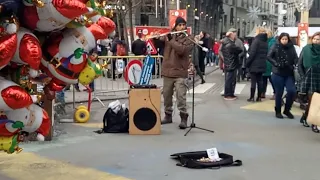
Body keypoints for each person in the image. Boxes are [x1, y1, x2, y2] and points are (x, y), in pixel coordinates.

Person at [158, 16, 193, 129]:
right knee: (167, 95)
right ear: (175, 26)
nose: (182, 27)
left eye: (183, 25)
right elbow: (160, 45)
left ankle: (183, 117)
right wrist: (156, 38)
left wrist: (171, 40)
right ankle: (168, 115)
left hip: (180, 72)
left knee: (180, 96)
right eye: (179, 25)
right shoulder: (169, 36)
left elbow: (182, 50)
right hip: (168, 71)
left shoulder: (188, 38)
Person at [267, 33, 298, 119]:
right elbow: (269, 56)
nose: (284, 41)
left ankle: (287, 109)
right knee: (279, 93)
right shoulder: (275, 46)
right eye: (283, 39)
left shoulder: (291, 47)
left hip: (289, 72)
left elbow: (295, 57)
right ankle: (278, 110)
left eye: (286, 39)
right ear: (280, 39)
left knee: (292, 91)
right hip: (278, 72)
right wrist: (276, 63)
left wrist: (295, 63)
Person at [298, 32, 320, 132]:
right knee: (312, 101)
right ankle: (314, 123)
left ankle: (305, 117)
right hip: (310, 78)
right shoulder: (306, 49)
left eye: (318, 39)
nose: (316, 41)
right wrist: (303, 76)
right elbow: (300, 64)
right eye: (315, 39)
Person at [220, 28, 243, 100]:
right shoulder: (230, 43)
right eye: (234, 33)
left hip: (229, 62)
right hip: (231, 63)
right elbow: (239, 50)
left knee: (231, 79)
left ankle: (230, 93)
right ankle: (228, 94)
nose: (235, 34)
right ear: (231, 34)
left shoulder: (226, 42)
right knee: (230, 79)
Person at [246, 31, 268, 102]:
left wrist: (248, 63)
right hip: (262, 64)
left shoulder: (256, 41)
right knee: (260, 81)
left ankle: (252, 97)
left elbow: (252, 53)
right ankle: (259, 97)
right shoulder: (265, 42)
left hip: (254, 64)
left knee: (253, 82)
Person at [261, 30, 276, 99]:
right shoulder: (268, 41)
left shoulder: (272, 42)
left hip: (270, 62)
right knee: (264, 79)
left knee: (271, 79)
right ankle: (263, 92)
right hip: (265, 62)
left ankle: (275, 93)